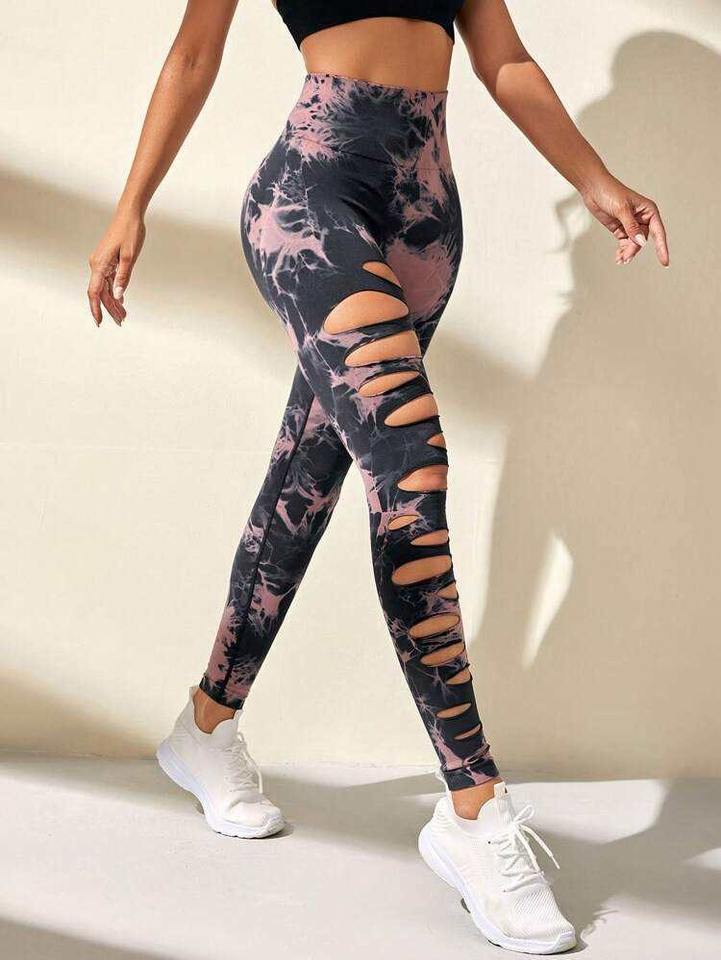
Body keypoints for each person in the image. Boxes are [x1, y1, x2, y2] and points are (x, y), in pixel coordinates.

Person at [87, 1, 668, 953]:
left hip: (424, 213)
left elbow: (504, 59)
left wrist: (594, 180)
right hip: (311, 196)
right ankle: (474, 808)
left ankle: (204, 727)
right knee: (409, 463)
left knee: (305, 479)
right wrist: (130, 205)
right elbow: (193, 54)